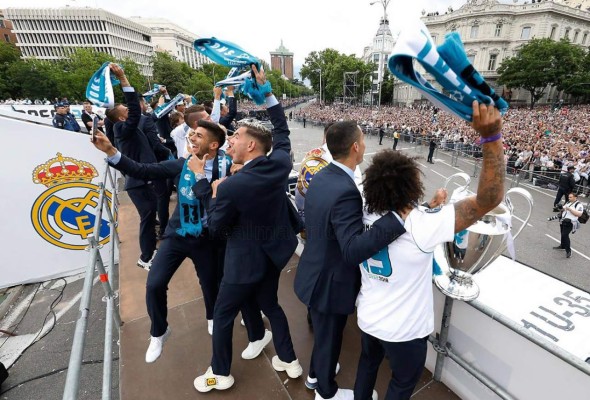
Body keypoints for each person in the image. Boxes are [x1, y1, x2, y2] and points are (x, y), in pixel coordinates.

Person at [353, 101, 505, 400]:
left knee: (367, 366)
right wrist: (491, 138)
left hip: (369, 316)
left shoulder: (364, 214)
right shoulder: (422, 225)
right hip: (404, 331)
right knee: (401, 382)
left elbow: (398, 221)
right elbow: (489, 198)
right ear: (411, 186)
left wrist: (427, 207)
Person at [193, 65, 303, 392]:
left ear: (252, 146)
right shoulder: (280, 163)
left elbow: (214, 227)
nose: (230, 141)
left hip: (242, 262)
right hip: (272, 256)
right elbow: (282, 131)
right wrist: (268, 94)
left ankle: (220, 373)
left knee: (224, 315)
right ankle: (289, 360)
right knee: (272, 306)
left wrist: (205, 185)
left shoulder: (230, 187)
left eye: (236, 137)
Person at [91, 119, 233, 361]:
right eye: (192, 134)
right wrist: (111, 151)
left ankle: (211, 317)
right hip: (177, 234)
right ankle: (159, 331)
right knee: (154, 284)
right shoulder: (180, 165)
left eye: (198, 135)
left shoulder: (229, 169)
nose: (192, 138)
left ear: (214, 145)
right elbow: (143, 170)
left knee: (210, 284)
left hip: (207, 238)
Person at [294, 120, 406, 400]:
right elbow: (353, 250)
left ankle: (314, 376)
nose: (365, 146)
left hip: (314, 270)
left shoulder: (323, 173)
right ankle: (326, 392)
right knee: (330, 338)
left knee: (323, 336)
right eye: (364, 142)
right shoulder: (346, 189)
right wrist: (396, 219)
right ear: (355, 147)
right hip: (330, 281)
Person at [104, 63, 158, 270]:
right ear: (121, 117)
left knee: (150, 217)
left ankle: (150, 251)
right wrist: (124, 79)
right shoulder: (122, 128)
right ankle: (145, 258)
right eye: (126, 109)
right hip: (138, 183)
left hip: (142, 180)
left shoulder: (121, 128)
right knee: (147, 219)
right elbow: (135, 109)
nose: (130, 109)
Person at [552, 192, 584, 259]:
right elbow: (563, 209)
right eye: (569, 197)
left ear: (575, 197)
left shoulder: (579, 205)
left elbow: (579, 214)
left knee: (565, 235)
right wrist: (560, 207)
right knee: (562, 233)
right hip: (563, 220)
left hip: (570, 222)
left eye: (571, 197)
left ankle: (568, 251)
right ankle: (562, 245)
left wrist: (570, 209)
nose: (569, 198)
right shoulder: (568, 202)